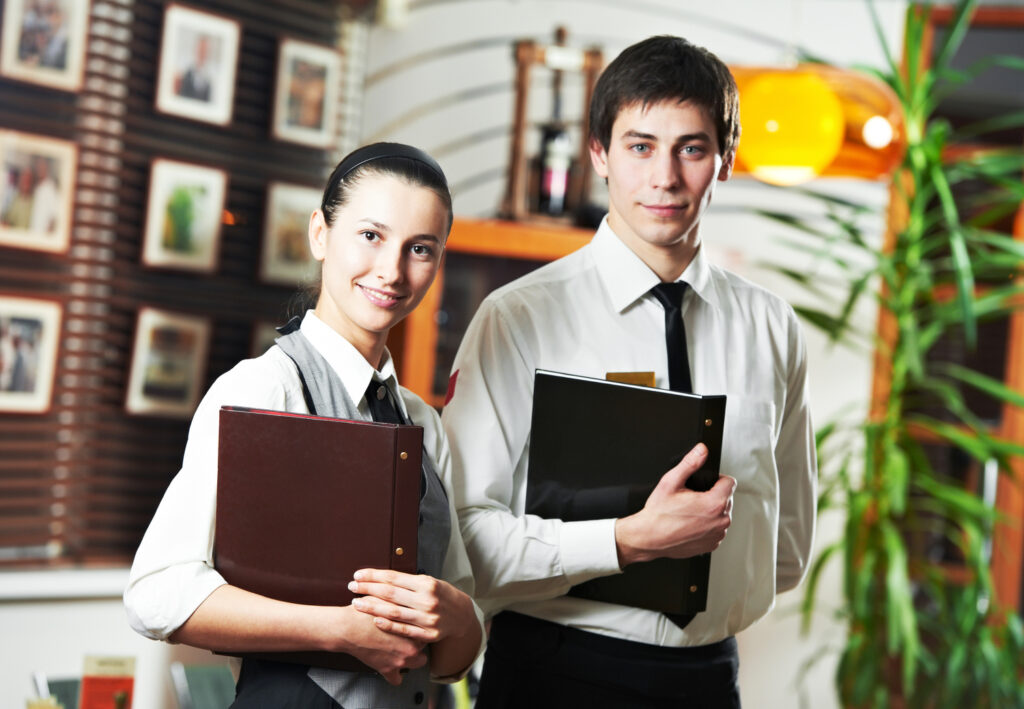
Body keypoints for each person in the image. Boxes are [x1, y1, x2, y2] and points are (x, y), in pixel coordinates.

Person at [441, 35, 817, 708]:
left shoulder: (771, 327)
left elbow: (785, 547)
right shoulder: (518, 317)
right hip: (553, 674)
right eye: (640, 146)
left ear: (726, 160)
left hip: (707, 681)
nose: (665, 177)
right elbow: (461, 536)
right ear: (599, 156)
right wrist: (622, 541)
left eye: (692, 148)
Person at [125, 142, 485, 708]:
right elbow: (156, 594)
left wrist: (461, 617)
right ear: (320, 234)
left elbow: (453, 649)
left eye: (420, 248)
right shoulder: (264, 389)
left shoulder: (422, 422)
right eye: (370, 236)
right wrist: (338, 631)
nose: (391, 271)